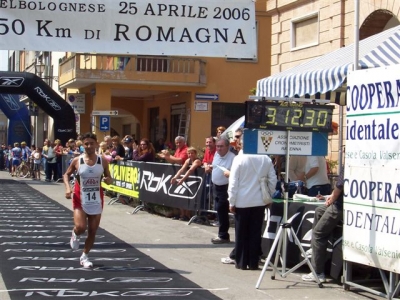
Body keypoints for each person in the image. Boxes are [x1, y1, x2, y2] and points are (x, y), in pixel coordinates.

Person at [63, 132, 113, 268]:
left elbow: (109, 178)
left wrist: (108, 180)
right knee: (81, 227)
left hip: (96, 198)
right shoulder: (77, 161)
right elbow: (66, 175)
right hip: (80, 197)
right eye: (86, 144)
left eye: (91, 143)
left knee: (92, 230)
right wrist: (68, 188)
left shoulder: (102, 161)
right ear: (82, 145)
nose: (89, 146)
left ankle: (85, 256)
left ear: (96, 144)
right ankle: (75, 233)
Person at [228, 150, 277, 270]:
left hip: (242, 201)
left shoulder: (239, 159)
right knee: (255, 233)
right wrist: (268, 195)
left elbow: (233, 182)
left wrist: (231, 201)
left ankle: (241, 262)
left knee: (241, 233)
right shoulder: (265, 158)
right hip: (259, 201)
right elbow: (273, 180)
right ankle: (253, 261)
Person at [302, 167, 344, 283]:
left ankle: (318, 272)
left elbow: (339, 186)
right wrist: (330, 197)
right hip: (339, 203)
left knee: (318, 233)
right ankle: (315, 248)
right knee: (319, 211)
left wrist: (332, 198)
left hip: (339, 206)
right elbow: (338, 187)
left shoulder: (351, 162)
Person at [210, 137, 236, 244]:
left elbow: (235, 174)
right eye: (217, 146)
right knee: (219, 210)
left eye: (221, 146)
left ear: (227, 147)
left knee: (222, 210)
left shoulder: (233, 158)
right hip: (216, 186)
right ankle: (222, 234)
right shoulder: (216, 155)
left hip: (226, 187)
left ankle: (223, 235)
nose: (219, 149)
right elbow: (215, 166)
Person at [170, 147, 202, 221]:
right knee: (182, 196)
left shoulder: (197, 161)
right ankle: (182, 214)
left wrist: (182, 179)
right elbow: (182, 169)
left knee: (191, 197)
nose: (190, 155)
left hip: (196, 181)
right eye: (189, 153)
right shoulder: (188, 160)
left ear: (195, 154)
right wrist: (175, 177)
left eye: (192, 153)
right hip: (189, 180)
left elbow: (190, 170)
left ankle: (188, 215)